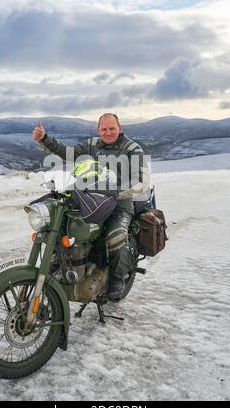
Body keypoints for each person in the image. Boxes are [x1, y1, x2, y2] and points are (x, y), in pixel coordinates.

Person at [33, 113, 149, 300]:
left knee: (116, 235)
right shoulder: (92, 144)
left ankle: (117, 280)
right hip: (90, 197)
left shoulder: (132, 148)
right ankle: (59, 263)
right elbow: (68, 153)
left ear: (120, 128)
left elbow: (141, 181)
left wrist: (117, 193)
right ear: (98, 130)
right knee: (62, 226)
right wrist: (45, 139)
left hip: (120, 202)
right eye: (104, 129)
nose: (108, 132)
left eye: (112, 128)